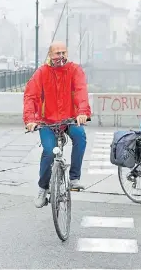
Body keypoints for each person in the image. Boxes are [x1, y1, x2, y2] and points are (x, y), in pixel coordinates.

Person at [23, 41, 91, 208]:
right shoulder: (42, 73)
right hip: (47, 121)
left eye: (63, 52)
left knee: (80, 136)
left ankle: (74, 178)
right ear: (50, 55)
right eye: (57, 53)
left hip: (69, 118)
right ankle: (43, 188)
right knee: (48, 152)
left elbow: (81, 91)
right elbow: (30, 96)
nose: (61, 56)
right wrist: (30, 120)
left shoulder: (74, 70)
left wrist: (82, 112)